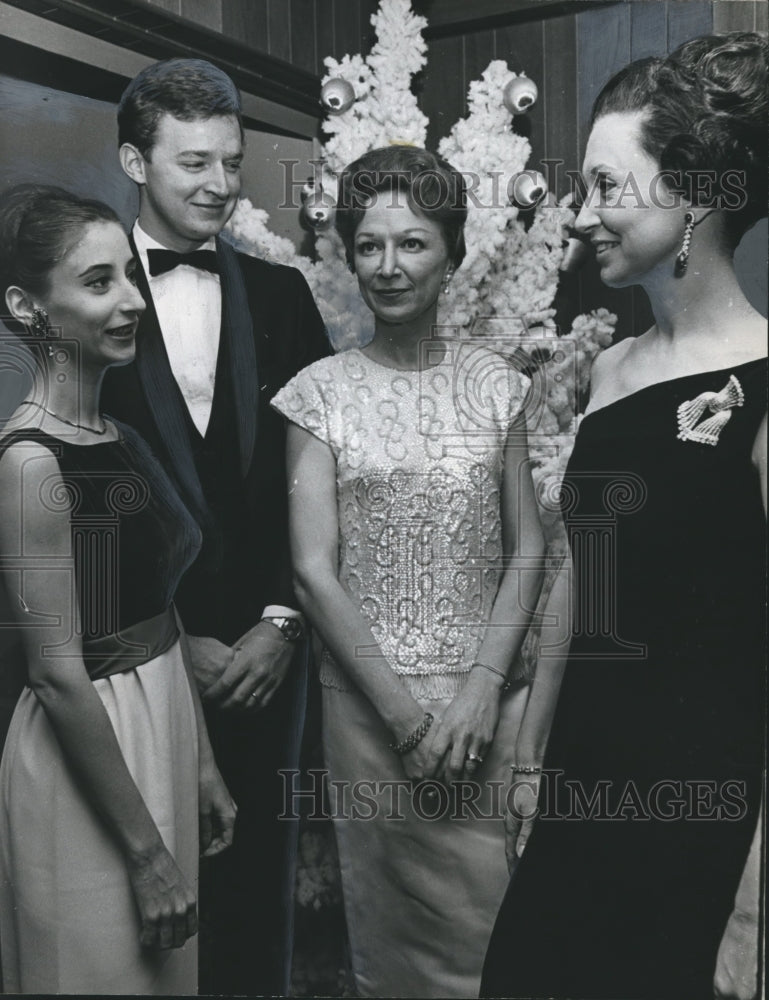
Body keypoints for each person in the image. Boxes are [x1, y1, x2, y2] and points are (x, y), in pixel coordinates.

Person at [481, 32, 767, 1000]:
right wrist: (529, 762)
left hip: (706, 801)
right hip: (583, 774)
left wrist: (755, 897)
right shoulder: (609, 370)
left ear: (688, 194)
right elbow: (582, 577)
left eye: (606, 186)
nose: (580, 215)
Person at [272, 145, 545, 998]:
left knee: (499, 936)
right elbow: (313, 573)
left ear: (452, 253)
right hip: (369, 714)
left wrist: (476, 691)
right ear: (349, 253)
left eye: (413, 243)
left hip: (488, 709)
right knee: (394, 956)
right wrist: (403, 719)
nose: (388, 267)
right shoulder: (317, 394)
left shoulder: (496, 385)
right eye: (368, 246)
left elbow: (528, 546)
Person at [100, 58, 330, 995]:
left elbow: (319, 482)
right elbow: (71, 496)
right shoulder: (86, 301)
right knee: (140, 914)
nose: (220, 185)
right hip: (138, 661)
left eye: (231, 162)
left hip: (265, 661)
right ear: (133, 161)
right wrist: (170, 641)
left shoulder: (284, 300)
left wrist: (282, 619)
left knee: (253, 912)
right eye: (193, 163)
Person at [0, 184, 235, 994]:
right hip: (89, 755)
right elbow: (54, 675)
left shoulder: (117, 436)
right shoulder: (31, 463)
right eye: (99, 283)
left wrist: (200, 762)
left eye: (130, 276)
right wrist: (145, 854)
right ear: (28, 308)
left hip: (160, 724)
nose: (133, 300)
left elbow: (159, 609)